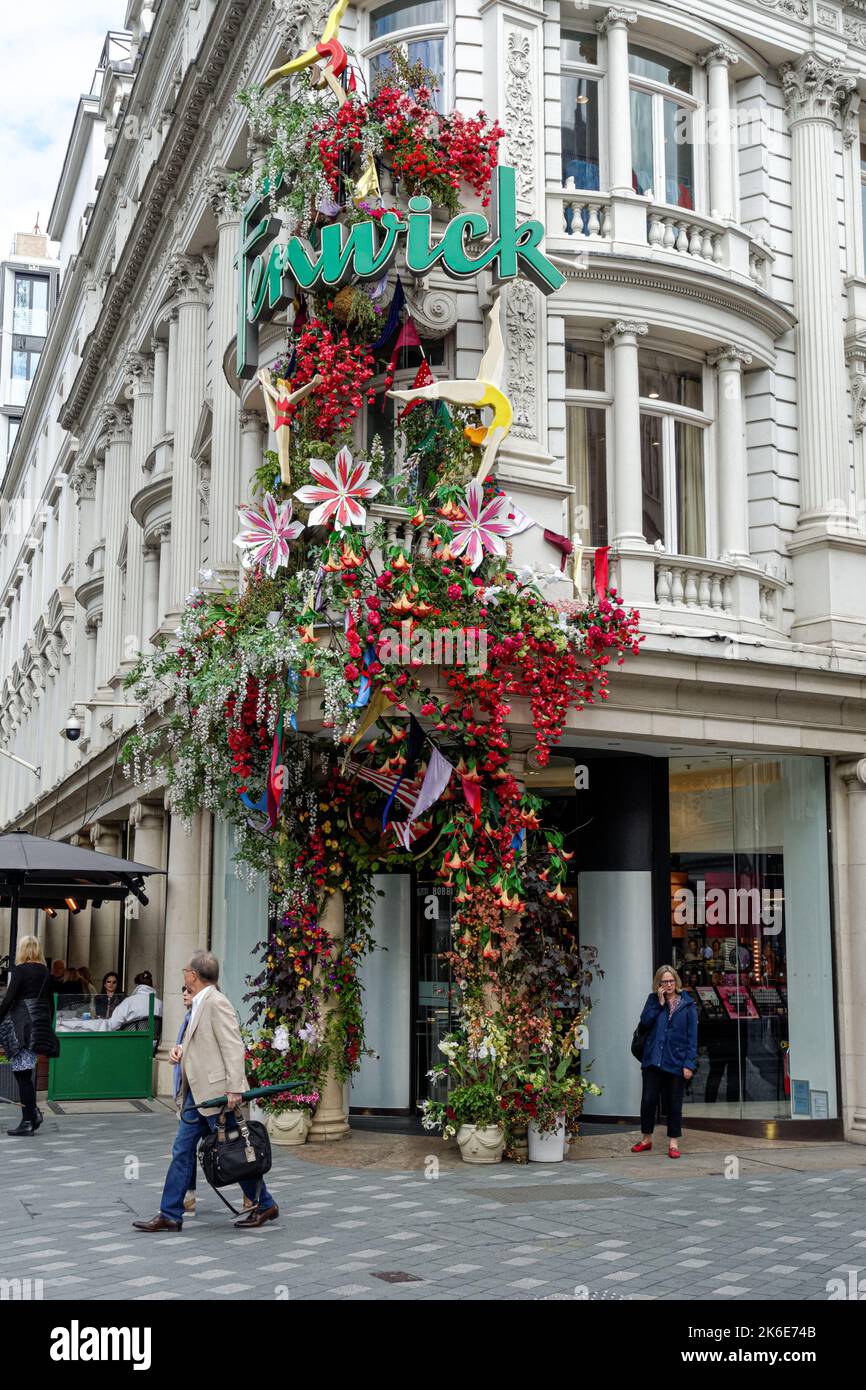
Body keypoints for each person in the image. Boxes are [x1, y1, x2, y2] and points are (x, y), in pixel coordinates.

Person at [133, 950, 279, 1233]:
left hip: (217, 1095)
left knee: (234, 1150)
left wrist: (235, 1088)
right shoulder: (200, 1002)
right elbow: (203, 1043)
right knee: (182, 1151)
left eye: (185, 971)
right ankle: (170, 1213)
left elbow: (233, 1046)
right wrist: (180, 1051)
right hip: (196, 1095)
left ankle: (265, 1204)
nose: (184, 975)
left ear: (193, 976)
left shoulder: (216, 1002)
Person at [631, 964, 698, 1159]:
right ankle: (646, 1139)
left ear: (676, 981)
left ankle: (673, 1142)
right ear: (658, 983)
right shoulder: (653, 1000)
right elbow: (644, 1023)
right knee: (648, 1101)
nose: (668, 984)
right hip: (653, 1060)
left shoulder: (688, 1004)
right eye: (664, 981)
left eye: (671, 981)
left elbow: (692, 1037)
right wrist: (659, 1003)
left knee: (674, 1103)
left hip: (675, 1061)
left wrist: (689, 1064)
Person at [0, 936, 60, 1136]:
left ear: (22, 950)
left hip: (21, 1029)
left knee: (23, 1076)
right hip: (38, 1029)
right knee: (25, 1074)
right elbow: (51, 1004)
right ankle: (33, 1115)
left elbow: (9, 999)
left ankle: (28, 1120)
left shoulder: (20, 970)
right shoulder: (44, 972)